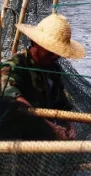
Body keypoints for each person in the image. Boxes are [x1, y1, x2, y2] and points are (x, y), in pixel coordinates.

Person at [0, 13, 85, 141]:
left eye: (58, 52)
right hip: (13, 135)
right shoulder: (14, 65)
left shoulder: (53, 69)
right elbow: (13, 99)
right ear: (36, 43)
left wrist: (70, 126)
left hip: (42, 133)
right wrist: (51, 127)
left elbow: (62, 105)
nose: (55, 56)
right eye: (50, 51)